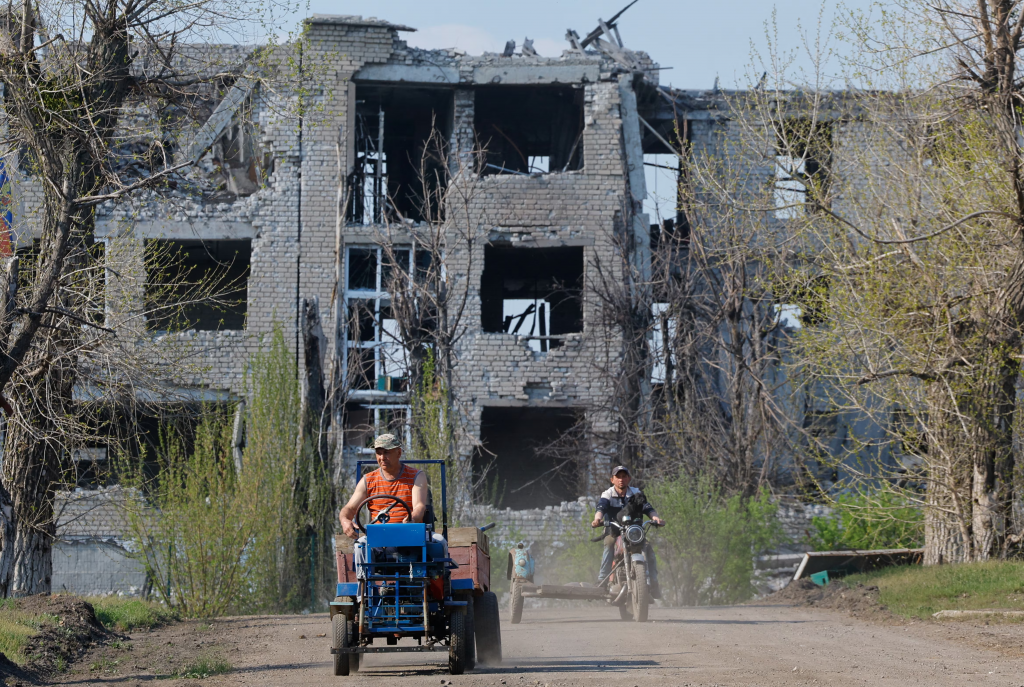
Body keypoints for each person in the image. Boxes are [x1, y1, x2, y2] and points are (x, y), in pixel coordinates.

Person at [339, 433, 446, 576]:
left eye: (387, 453)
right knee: (361, 545)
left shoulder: (416, 476)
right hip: (379, 538)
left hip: (412, 534)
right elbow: (350, 508)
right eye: (379, 453)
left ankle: (442, 586)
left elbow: (419, 506)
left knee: (440, 542)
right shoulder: (368, 480)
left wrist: (412, 519)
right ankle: (363, 595)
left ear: (399, 453)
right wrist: (345, 520)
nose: (382, 457)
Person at [590, 465, 665, 599]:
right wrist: (597, 519)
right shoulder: (608, 494)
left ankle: (654, 583)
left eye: (624, 476)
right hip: (614, 530)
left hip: (633, 532)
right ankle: (602, 581)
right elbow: (601, 507)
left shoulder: (636, 493)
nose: (621, 479)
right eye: (618, 477)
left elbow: (648, 508)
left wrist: (655, 518)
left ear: (629, 478)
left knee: (648, 549)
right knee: (608, 545)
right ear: (612, 479)